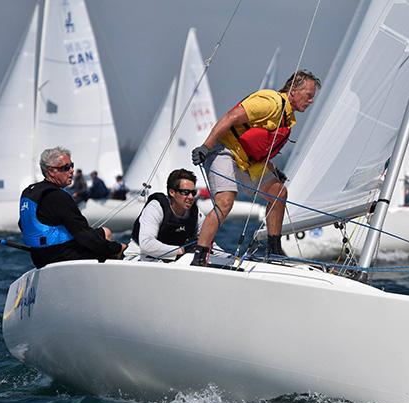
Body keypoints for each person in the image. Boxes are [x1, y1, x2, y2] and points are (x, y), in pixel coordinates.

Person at [190, 70, 321, 266]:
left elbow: (259, 146)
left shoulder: (287, 117)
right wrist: (205, 147)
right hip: (225, 151)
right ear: (293, 91)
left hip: (247, 161)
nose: (311, 101)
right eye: (309, 95)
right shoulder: (270, 102)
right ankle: (200, 255)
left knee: (278, 193)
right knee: (225, 202)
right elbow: (230, 117)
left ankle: (274, 251)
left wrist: (273, 170)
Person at [19, 147, 126, 268]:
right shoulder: (58, 196)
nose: (71, 170)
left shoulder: (28, 192)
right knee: (106, 233)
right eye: (65, 168)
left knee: (102, 233)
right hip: (62, 256)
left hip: (38, 257)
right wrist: (118, 248)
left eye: (71, 166)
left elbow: (23, 225)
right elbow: (84, 236)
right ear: (51, 171)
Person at [126, 169, 204, 261]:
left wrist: (225, 258)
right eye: (185, 192)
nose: (191, 197)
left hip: (174, 260)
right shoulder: (156, 207)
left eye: (193, 193)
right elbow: (146, 244)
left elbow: (208, 243)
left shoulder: (196, 213)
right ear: (172, 192)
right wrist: (181, 250)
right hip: (140, 257)